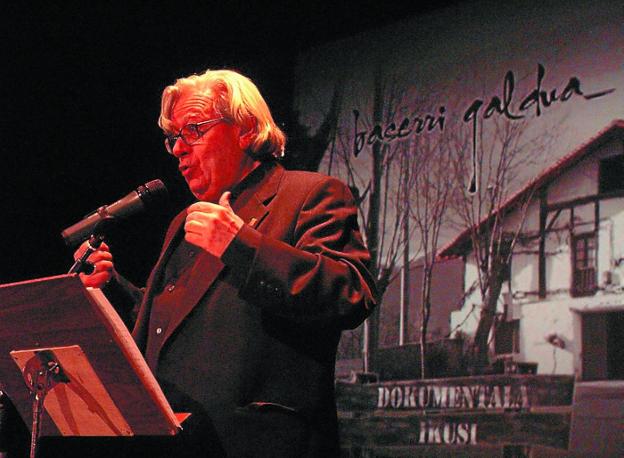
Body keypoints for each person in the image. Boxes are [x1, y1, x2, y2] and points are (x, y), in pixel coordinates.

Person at [76, 69, 377, 457]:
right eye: (173, 139)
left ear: (246, 129)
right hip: (177, 441)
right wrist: (110, 286)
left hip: (255, 444)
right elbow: (168, 326)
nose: (180, 149)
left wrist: (239, 245)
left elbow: (350, 293)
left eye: (194, 130)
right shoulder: (184, 223)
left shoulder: (311, 194)